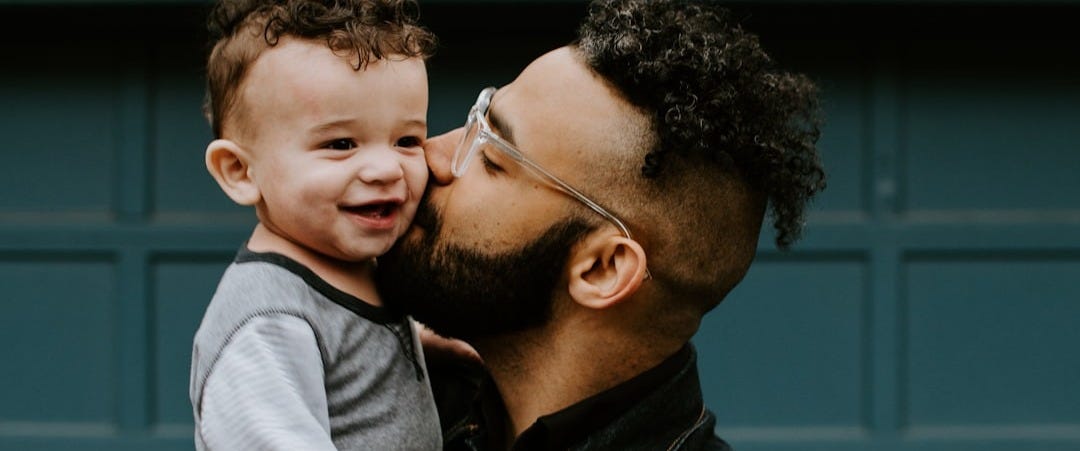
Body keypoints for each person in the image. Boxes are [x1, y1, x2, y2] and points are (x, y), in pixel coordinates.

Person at [375, 0, 827, 449]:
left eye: (492, 158)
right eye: (476, 120)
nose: (431, 154)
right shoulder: (391, 388)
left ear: (603, 268)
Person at [188, 0, 440, 449]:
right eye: (341, 144)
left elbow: (349, 344)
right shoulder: (268, 325)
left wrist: (425, 345)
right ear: (240, 171)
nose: (386, 169)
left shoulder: (354, 265)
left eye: (407, 140)